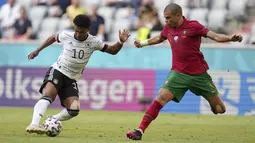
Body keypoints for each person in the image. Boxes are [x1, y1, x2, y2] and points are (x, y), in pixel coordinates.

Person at [126, 3, 243, 140]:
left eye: (168, 18)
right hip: (178, 73)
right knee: (161, 97)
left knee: (220, 109)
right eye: (165, 18)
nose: (166, 21)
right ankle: (139, 131)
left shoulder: (194, 26)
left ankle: (208, 99)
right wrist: (143, 43)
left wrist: (230, 38)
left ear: (178, 15)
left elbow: (215, 36)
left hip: (199, 75)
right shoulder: (168, 27)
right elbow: (159, 38)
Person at [26, 14, 130, 134]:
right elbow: (52, 38)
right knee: (48, 96)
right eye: (76, 30)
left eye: (81, 31)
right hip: (58, 71)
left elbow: (112, 50)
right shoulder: (66, 35)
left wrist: (120, 42)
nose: (78, 34)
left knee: (74, 110)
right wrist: (37, 50)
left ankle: (53, 119)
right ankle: (34, 124)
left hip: (71, 78)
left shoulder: (94, 41)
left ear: (88, 29)